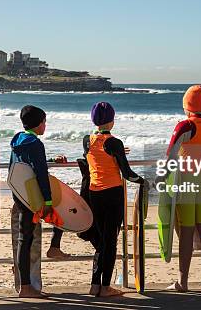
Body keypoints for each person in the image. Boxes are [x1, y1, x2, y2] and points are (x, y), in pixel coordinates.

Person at [83, 102, 145, 297]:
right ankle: (106, 286)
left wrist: (119, 153)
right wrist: (144, 181)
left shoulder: (87, 140)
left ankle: (94, 284)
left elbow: (96, 156)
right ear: (111, 120)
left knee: (102, 241)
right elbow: (127, 173)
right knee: (110, 241)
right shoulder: (114, 142)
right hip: (113, 194)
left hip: (95, 193)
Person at [164, 85, 201, 292]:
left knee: (186, 231)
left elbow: (170, 156)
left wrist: (161, 179)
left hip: (186, 181)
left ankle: (182, 282)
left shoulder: (184, 126)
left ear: (187, 104)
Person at [9, 105, 56, 298]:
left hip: (19, 195)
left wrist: (51, 159)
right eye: (44, 122)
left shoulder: (17, 140)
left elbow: (19, 167)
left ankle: (25, 284)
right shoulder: (36, 144)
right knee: (26, 240)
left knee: (24, 240)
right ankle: (26, 287)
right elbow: (41, 174)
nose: (45, 125)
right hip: (33, 198)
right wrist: (48, 201)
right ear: (39, 124)